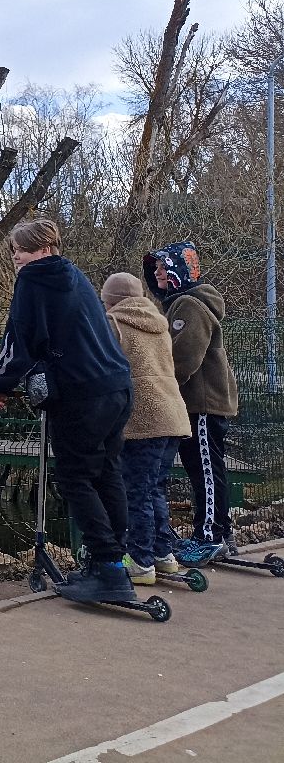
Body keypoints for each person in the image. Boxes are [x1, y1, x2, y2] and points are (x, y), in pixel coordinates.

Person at [0, 219, 135, 604]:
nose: (16, 257)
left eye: (19, 249)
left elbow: (19, 336)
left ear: (41, 249)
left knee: (74, 478)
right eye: (14, 251)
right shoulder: (76, 275)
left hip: (80, 394)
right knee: (106, 472)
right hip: (117, 385)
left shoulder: (33, 281)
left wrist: (1, 386)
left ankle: (106, 569)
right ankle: (114, 561)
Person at [144, 241, 240, 565]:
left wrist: (158, 387)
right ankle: (221, 533)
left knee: (206, 471)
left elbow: (182, 358)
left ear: (177, 269)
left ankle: (210, 535)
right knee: (205, 469)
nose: (156, 272)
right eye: (154, 267)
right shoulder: (179, 304)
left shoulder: (190, 306)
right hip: (195, 402)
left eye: (161, 266)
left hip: (201, 402)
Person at [100, 272, 191, 585]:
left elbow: (106, 368)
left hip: (142, 417)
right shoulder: (159, 322)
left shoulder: (113, 323)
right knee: (155, 488)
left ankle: (140, 560)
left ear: (109, 299)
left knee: (135, 490)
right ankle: (163, 553)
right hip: (173, 413)